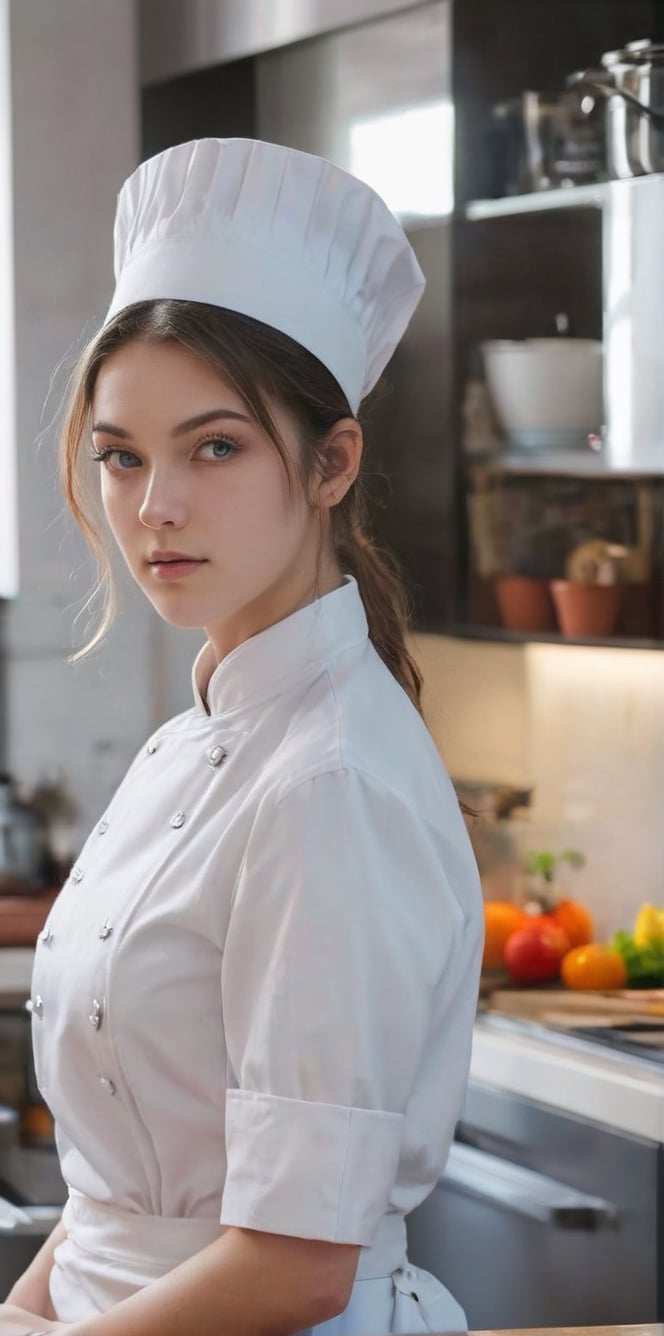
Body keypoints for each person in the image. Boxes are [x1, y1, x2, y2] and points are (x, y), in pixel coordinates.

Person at [2, 138, 483, 1336]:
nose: (154, 502)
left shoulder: (329, 780)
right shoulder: (198, 740)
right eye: (122, 456)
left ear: (330, 462)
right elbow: (122, 1190)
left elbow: (295, 1264)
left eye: (214, 446)